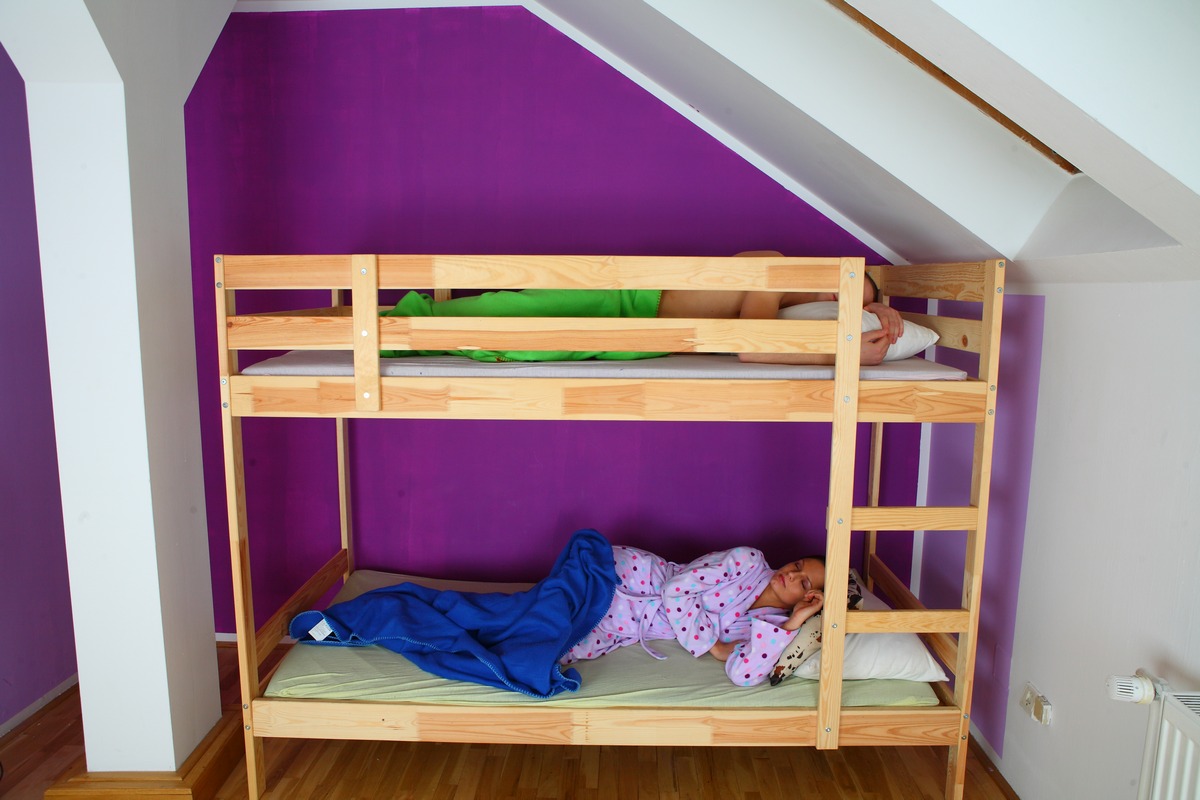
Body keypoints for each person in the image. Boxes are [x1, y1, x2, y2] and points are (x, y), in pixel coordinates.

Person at [381, 251, 904, 365]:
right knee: (495, 313)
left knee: (512, 344)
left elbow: (758, 346)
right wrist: (843, 353)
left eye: (844, 307)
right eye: (839, 289)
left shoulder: (787, 308)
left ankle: (396, 340)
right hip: (619, 297)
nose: (831, 302)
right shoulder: (775, 269)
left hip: (643, 335)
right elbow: (752, 346)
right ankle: (374, 329)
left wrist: (874, 322)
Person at [560, 545, 826, 687]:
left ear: (808, 599)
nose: (792, 574)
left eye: (803, 583)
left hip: (632, 625)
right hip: (634, 578)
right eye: (797, 565)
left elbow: (742, 675)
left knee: (558, 648)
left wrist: (794, 621)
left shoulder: (771, 628)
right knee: (557, 602)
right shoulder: (749, 561)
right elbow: (675, 589)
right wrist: (714, 646)